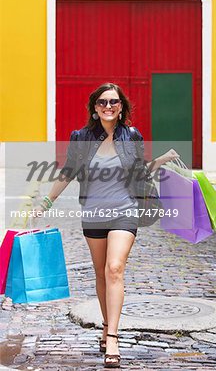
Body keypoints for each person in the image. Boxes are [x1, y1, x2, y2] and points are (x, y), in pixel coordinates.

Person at [33, 82, 179, 368]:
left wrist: (160, 161)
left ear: (121, 106)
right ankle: (105, 325)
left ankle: (112, 336)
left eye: (114, 102)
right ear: (94, 108)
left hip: (125, 211)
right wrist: (46, 203)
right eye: (102, 102)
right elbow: (68, 172)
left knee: (114, 268)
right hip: (94, 213)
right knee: (101, 273)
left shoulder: (132, 136)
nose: (108, 107)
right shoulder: (81, 138)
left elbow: (140, 172)